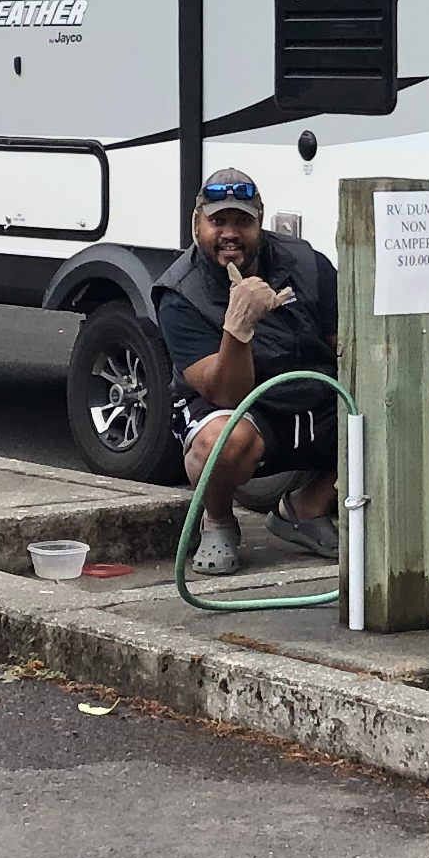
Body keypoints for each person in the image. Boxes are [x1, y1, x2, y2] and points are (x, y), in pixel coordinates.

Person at [153, 168, 341, 575]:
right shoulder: (179, 293)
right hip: (246, 413)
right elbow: (226, 395)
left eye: (242, 221)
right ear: (196, 224)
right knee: (219, 442)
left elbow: (343, 343)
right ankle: (218, 520)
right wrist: (238, 327)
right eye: (218, 221)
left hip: (314, 397)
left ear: (261, 221)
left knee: (419, 409)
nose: (230, 233)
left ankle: (307, 508)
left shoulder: (307, 263)